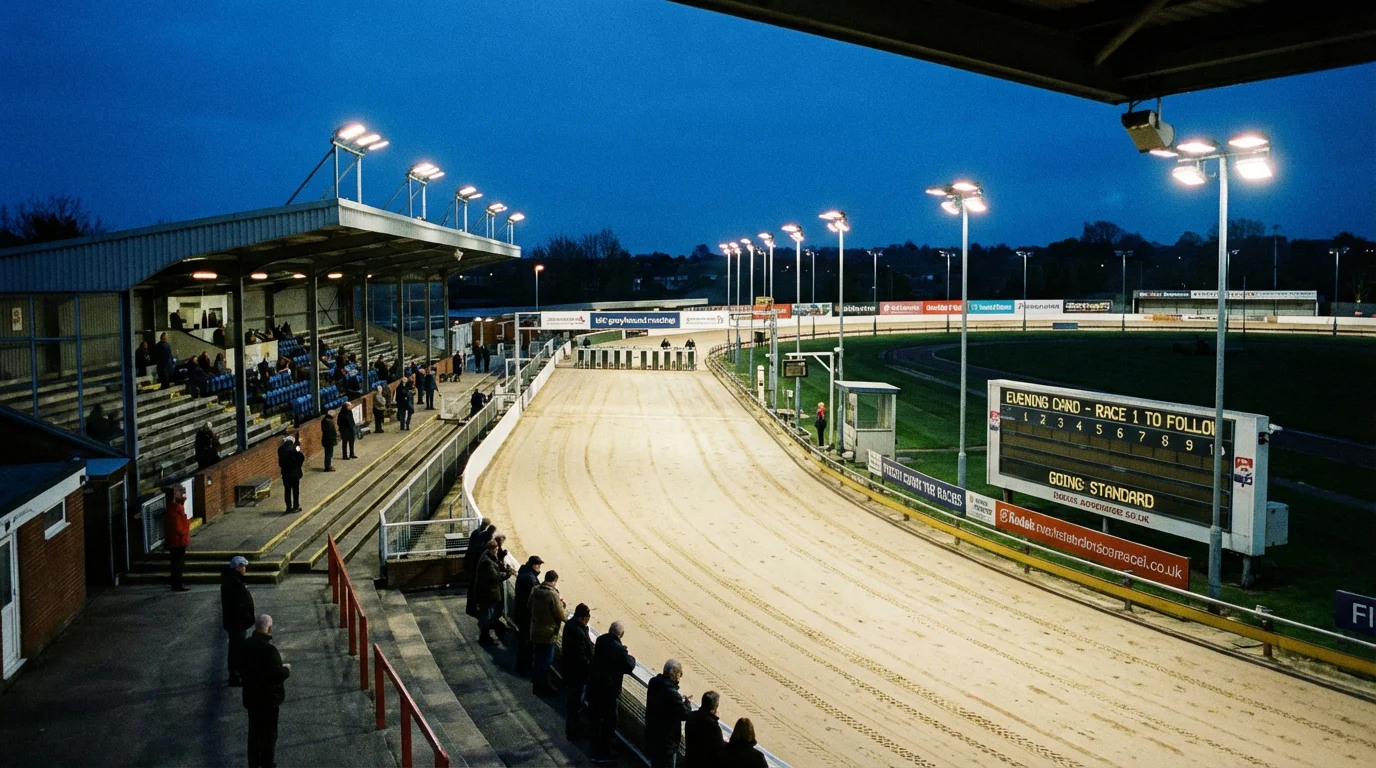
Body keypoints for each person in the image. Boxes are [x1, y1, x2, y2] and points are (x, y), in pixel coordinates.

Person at [242, 614, 291, 768]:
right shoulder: (270, 651)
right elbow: (277, 675)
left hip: (251, 697)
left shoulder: (246, 645)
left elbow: (240, 666)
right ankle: (267, 763)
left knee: (254, 732)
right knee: (269, 733)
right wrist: (286, 670)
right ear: (269, 629)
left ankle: (254, 763)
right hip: (269, 699)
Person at [587, 621, 636, 764]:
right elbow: (629, 665)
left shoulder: (601, 640)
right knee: (609, 723)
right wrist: (628, 654)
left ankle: (596, 749)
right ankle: (602, 753)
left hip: (595, 686)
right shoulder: (619, 650)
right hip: (608, 692)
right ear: (621, 635)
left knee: (595, 720)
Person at [645, 659, 693, 767]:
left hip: (652, 734)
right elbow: (685, 714)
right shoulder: (672, 693)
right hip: (666, 743)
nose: (679, 679)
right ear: (672, 674)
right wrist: (687, 703)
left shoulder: (653, 681)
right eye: (679, 675)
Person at [528, 570, 566, 695]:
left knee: (537, 659)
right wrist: (562, 604)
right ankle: (542, 686)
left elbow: (529, 605)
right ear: (554, 581)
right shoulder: (552, 594)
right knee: (545, 661)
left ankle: (536, 684)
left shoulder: (535, 590)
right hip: (548, 633)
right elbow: (562, 615)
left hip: (535, 630)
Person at [562, 603, 595, 739]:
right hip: (577, 673)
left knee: (575, 702)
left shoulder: (572, 626)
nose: (588, 621)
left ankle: (575, 726)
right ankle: (573, 730)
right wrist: (589, 666)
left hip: (572, 671)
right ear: (582, 618)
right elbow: (581, 654)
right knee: (575, 702)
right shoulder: (577, 631)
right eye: (587, 619)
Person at [221, 556, 255, 686]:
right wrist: (246, 616)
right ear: (238, 567)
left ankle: (236, 673)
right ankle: (235, 675)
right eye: (243, 566)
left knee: (236, 648)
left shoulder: (232, 579)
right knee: (237, 648)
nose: (245, 569)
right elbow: (238, 603)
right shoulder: (233, 582)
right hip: (237, 622)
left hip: (236, 621)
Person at [473, 538, 514, 646]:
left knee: (488, 615)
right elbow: (495, 577)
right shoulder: (486, 561)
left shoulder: (488, 556)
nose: (497, 551)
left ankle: (486, 635)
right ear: (492, 549)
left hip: (488, 593)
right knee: (487, 615)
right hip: (487, 594)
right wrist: (508, 573)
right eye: (496, 549)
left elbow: (497, 566)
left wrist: (505, 568)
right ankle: (484, 637)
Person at [514, 555, 544, 675]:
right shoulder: (529, 578)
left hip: (521, 612)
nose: (539, 568)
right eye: (539, 565)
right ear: (534, 565)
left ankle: (523, 666)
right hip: (526, 615)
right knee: (526, 642)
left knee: (524, 641)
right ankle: (523, 667)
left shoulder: (524, 573)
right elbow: (534, 598)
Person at [684, 691, 725, 768]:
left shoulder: (691, 716)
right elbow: (720, 747)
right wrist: (715, 719)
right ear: (715, 707)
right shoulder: (713, 726)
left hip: (690, 761)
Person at [463, 521, 495, 616]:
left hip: (471, 564)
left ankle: (471, 607)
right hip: (475, 567)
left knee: (472, 587)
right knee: (474, 588)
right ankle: (473, 608)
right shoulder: (483, 537)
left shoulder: (475, 533)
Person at [164, 484, 191, 592]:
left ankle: (177, 582)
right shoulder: (174, 510)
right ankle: (177, 583)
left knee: (177, 563)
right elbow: (179, 527)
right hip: (178, 541)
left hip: (178, 540)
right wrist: (185, 531)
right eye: (179, 492)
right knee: (177, 564)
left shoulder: (175, 508)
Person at [277, 436, 304, 513]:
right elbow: (301, 457)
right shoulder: (296, 448)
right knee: (296, 491)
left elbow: (280, 462)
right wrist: (299, 465)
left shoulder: (280, 449)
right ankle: (296, 506)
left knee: (287, 490)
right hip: (295, 472)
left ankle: (288, 507)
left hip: (285, 473)